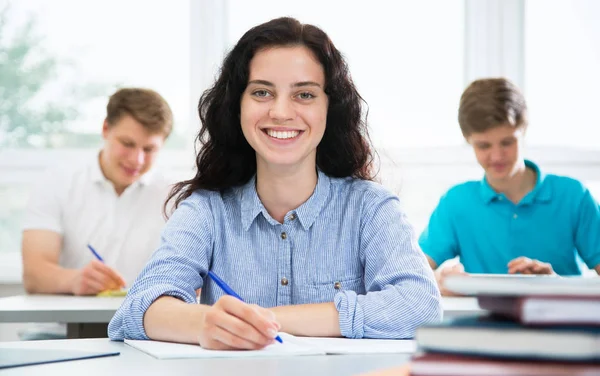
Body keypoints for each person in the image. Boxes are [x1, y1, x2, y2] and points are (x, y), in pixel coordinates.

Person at [108, 17, 441, 349]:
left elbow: (420, 306)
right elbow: (135, 311)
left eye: (305, 95)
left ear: (330, 107)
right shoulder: (207, 209)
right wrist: (206, 323)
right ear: (237, 106)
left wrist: (266, 320)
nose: (281, 112)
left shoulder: (371, 207)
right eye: (262, 92)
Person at [419, 78, 600, 294]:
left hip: (561, 325)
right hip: (480, 326)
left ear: (523, 130)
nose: (497, 156)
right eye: (483, 145)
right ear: (468, 140)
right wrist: (438, 282)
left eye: (507, 142)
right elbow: (410, 275)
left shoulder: (573, 197)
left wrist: (556, 285)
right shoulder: (456, 203)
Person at [22, 88, 174, 296]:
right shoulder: (58, 181)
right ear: (105, 129)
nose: (136, 160)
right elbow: (34, 275)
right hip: (61, 327)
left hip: (142, 327)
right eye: (127, 144)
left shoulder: (174, 197)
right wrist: (74, 280)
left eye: (149, 149)